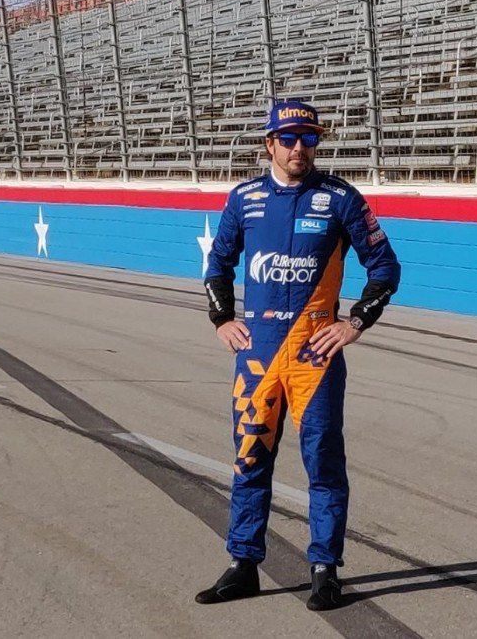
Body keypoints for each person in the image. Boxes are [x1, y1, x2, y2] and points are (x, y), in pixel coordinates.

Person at [195, 100, 401, 611]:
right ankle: (244, 565)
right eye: (288, 139)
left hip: (315, 355)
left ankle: (325, 569)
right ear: (269, 144)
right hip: (258, 355)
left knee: (323, 465)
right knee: (249, 460)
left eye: (309, 139)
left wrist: (353, 323)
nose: (298, 149)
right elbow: (217, 264)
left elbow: (385, 267)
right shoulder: (244, 199)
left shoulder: (340, 198)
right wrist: (222, 319)